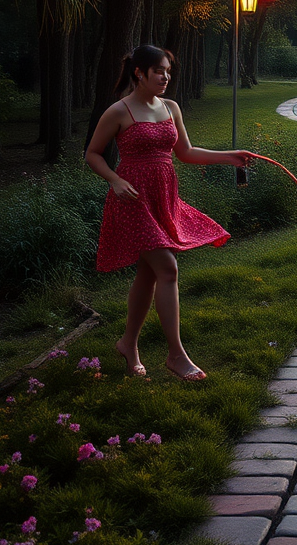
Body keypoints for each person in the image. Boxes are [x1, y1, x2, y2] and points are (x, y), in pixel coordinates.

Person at [85, 45, 259, 381]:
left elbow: (187, 152)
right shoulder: (119, 111)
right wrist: (115, 179)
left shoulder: (171, 108)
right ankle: (176, 355)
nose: (165, 77)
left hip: (163, 198)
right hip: (132, 200)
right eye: (158, 71)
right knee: (168, 269)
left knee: (149, 274)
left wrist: (230, 156)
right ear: (139, 73)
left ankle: (128, 344)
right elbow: (93, 154)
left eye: (168, 71)